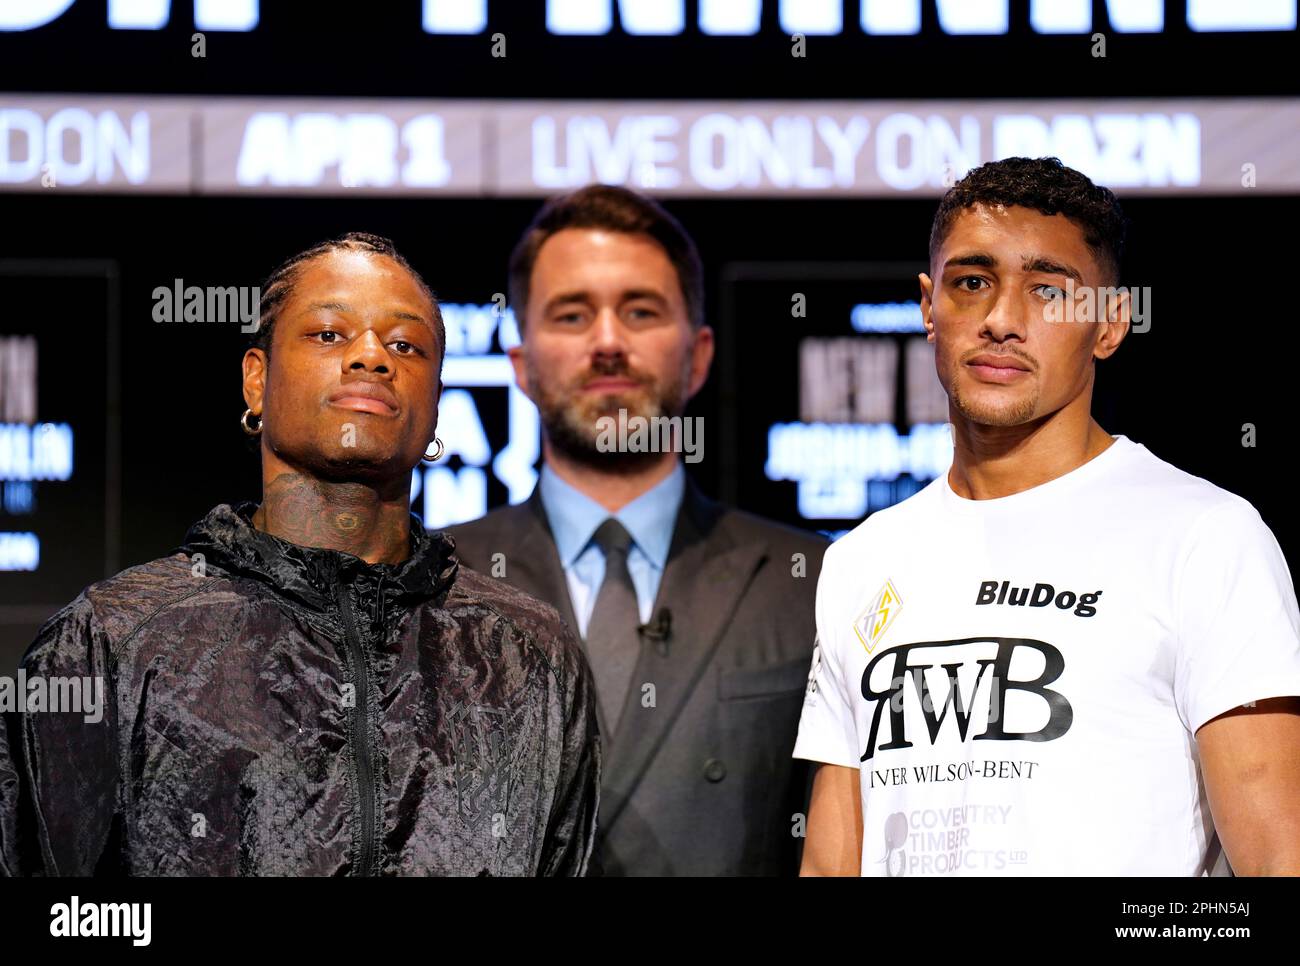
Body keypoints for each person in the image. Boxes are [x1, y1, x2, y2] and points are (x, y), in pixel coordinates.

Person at [0, 232, 599, 876]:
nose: (372, 358)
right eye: (329, 335)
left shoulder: (529, 655)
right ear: (256, 381)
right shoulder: (111, 640)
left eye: (405, 345)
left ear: (435, 404)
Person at [795, 157, 1300, 876]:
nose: (1002, 320)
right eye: (971, 283)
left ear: (1109, 325)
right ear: (928, 307)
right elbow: (830, 865)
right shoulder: (859, 560)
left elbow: (1280, 864)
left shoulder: (1206, 538)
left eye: (1047, 292)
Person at [447, 185, 826, 875]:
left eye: (641, 311)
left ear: (700, 354)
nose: (609, 343)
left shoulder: (815, 581)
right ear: (521, 366)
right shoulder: (434, 580)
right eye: (571, 314)